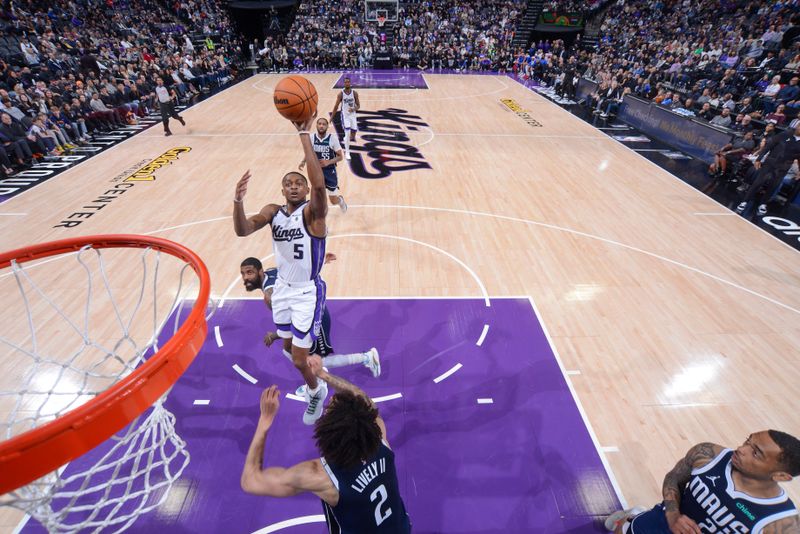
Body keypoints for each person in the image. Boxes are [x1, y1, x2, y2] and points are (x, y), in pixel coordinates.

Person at [233, 113, 331, 425]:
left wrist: (304, 134)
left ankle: (316, 391)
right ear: (282, 190)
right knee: (288, 346)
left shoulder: (313, 214)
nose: (293, 186)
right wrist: (237, 200)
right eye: (287, 183)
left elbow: (319, 184)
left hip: (306, 292)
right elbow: (243, 230)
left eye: (298, 182)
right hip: (283, 290)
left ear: (305, 189)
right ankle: (310, 364)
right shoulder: (273, 213)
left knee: (299, 358)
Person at [241, 364, 412, 533]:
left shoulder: (322, 475)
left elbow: (251, 481)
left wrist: (264, 422)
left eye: (330, 409)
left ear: (331, 430)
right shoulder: (379, 439)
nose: (329, 400)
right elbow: (363, 398)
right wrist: (323, 375)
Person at [605, 431, 800, 534]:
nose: (741, 449)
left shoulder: (782, 523)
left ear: (781, 476)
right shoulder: (708, 454)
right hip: (661, 523)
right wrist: (673, 516)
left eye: (755, 452)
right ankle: (636, 515)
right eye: (747, 441)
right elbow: (674, 478)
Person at [239, 256, 381, 381]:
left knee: (310, 359)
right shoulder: (271, 272)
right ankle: (315, 376)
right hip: (308, 311)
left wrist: (275, 335)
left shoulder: (270, 296)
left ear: (259, 271)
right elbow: (297, 272)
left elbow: (290, 324)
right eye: (243, 274)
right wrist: (320, 262)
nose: (245, 277)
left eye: (249, 272)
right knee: (290, 352)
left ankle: (366, 357)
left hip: (313, 319)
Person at [736, 124, 800, 217]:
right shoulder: (784, 134)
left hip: (783, 167)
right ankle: (744, 202)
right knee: (758, 183)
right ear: (797, 126)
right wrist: (759, 159)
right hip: (770, 163)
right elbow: (769, 146)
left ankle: (763, 204)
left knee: (773, 186)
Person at [300, 116, 348, 213]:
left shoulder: (332, 139)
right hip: (316, 171)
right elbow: (309, 152)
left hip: (329, 171)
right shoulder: (312, 137)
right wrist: (303, 161)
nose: (321, 126)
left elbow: (340, 156)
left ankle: (340, 201)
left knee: (333, 200)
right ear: (317, 125)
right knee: (317, 197)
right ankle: (318, 218)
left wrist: (328, 162)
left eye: (324, 124)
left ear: (327, 127)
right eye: (319, 124)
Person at [330, 77, 360, 160]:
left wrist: (353, 109)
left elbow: (358, 106)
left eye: (348, 82)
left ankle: (346, 139)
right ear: (344, 83)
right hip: (345, 116)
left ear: (350, 83)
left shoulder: (354, 93)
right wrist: (331, 118)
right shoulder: (341, 94)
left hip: (353, 115)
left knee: (353, 134)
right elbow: (336, 106)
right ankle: (347, 152)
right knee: (347, 133)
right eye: (345, 82)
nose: (347, 83)